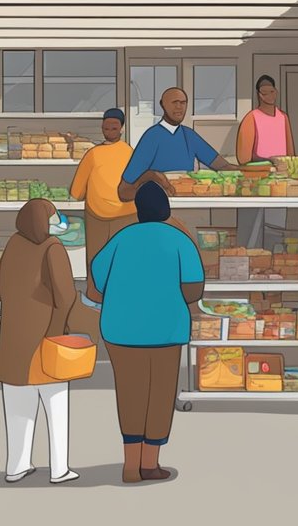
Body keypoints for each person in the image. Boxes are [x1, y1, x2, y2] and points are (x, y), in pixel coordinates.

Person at [90, 181, 204, 484]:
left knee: (130, 393)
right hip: (166, 329)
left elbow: (97, 280)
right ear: (165, 209)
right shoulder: (180, 240)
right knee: (160, 395)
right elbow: (194, 289)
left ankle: (130, 465)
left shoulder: (121, 238)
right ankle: (150, 464)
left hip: (121, 330)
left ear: (138, 210)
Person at [0, 199, 80, 485]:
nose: (57, 220)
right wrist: (63, 328)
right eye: (53, 215)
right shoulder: (53, 248)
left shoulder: (13, 243)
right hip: (46, 337)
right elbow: (65, 296)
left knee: (17, 409)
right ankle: (59, 468)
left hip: (14, 341)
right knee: (56, 405)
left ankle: (17, 465)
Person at [117, 87, 234, 202]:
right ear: (162, 105)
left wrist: (248, 170)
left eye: (183, 103)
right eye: (174, 102)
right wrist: (152, 177)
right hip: (161, 208)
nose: (179, 107)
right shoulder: (152, 137)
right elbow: (124, 192)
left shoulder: (189, 135)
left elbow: (224, 167)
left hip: (189, 205)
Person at [236, 75, 296, 249]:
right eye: (265, 92)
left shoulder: (283, 118)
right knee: (251, 232)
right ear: (258, 94)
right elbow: (244, 157)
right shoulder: (251, 118)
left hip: (280, 182)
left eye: (272, 91)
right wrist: (268, 160)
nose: (269, 95)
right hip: (255, 182)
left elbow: (291, 152)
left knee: (275, 229)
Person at [72, 108, 137, 263]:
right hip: (127, 214)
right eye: (106, 128)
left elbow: (76, 192)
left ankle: (95, 288)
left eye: (113, 128)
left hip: (98, 216)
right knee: (124, 260)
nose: (109, 131)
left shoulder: (93, 154)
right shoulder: (131, 152)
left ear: (121, 128)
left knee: (96, 260)